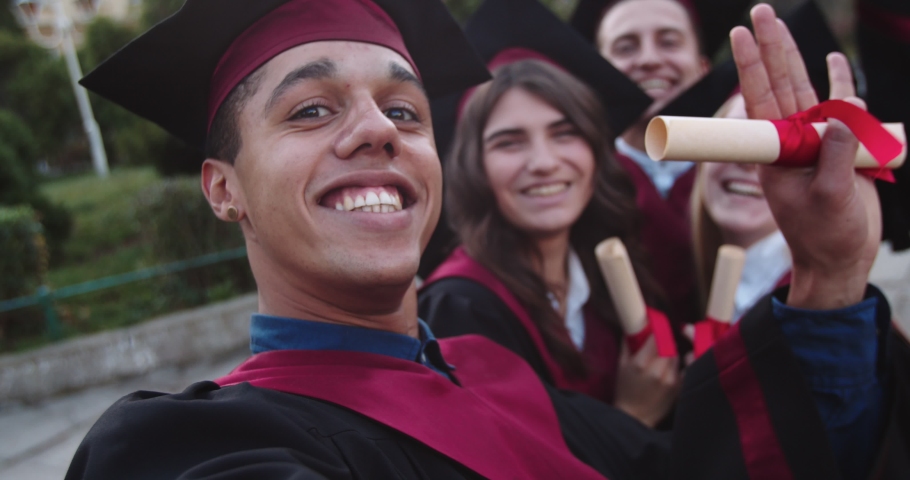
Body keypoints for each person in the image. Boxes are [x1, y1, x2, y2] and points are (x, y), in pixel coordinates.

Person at [65, 1, 909, 479]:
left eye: (404, 110)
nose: (376, 132)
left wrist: (829, 270)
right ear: (224, 189)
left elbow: (715, 469)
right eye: (311, 109)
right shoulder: (192, 452)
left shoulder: (505, 382)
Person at [419, 0, 676, 427]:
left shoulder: (610, 279)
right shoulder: (460, 308)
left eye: (564, 134)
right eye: (509, 142)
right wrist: (635, 415)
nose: (543, 162)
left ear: (596, 151)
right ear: (474, 166)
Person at [690, 93, 790, 322]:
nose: (747, 161)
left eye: (773, 146)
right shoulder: (686, 282)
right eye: (731, 139)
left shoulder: (817, 303)